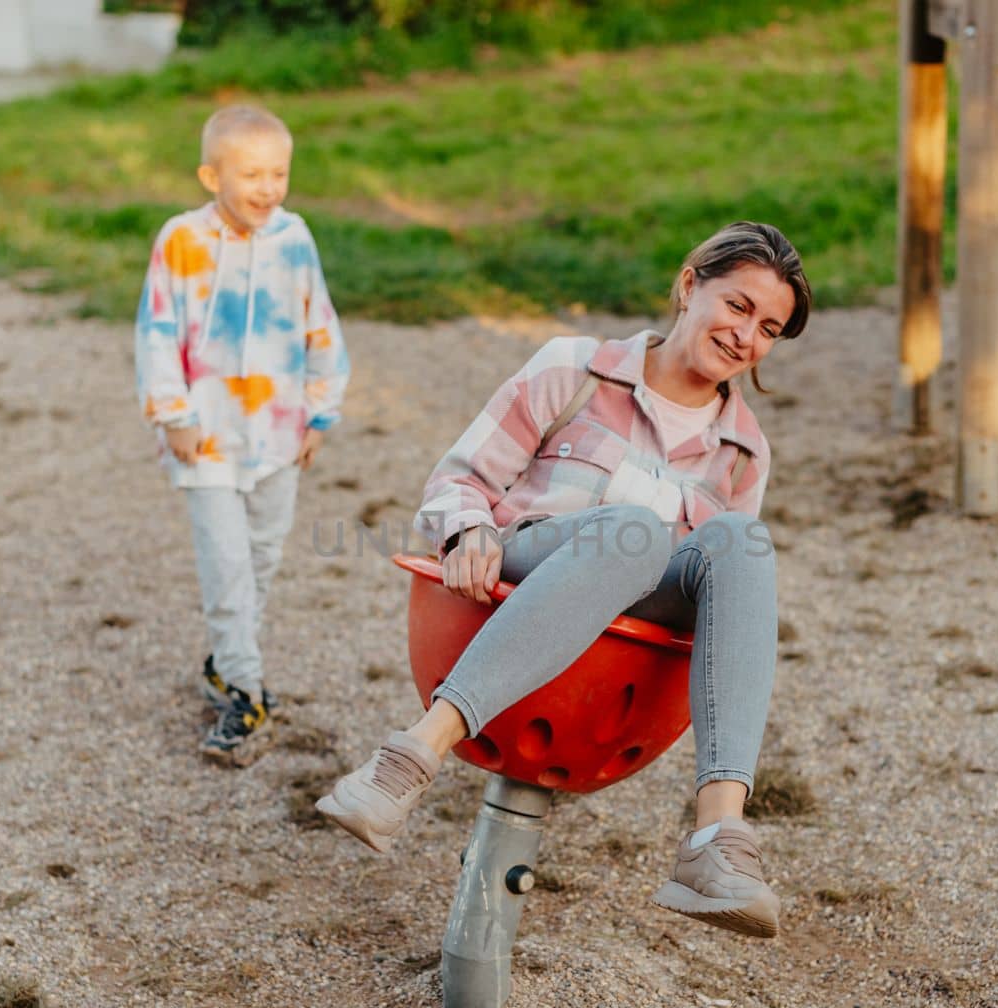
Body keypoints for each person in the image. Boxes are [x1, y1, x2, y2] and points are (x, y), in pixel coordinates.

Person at [317, 222, 810, 937]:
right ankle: (406, 761)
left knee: (740, 538)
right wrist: (469, 531)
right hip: (522, 567)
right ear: (688, 284)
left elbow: (719, 600)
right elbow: (460, 479)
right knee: (633, 531)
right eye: (737, 306)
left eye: (769, 329)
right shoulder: (576, 369)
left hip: (621, 648)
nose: (746, 337)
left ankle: (718, 842)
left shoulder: (744, 452)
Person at [134, 104, 349, 765]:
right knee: (226, 564)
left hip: (279, 433)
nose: (267, 188)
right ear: (211, 175)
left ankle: (226, 663)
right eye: (251, 174)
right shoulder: (181, 241)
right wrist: (173, 414)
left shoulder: (294, 239)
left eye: (278, 173)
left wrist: (319, 411)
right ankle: (247, 693)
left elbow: (321, 325)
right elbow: (157, 331)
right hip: (207, 438)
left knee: (261, 558)